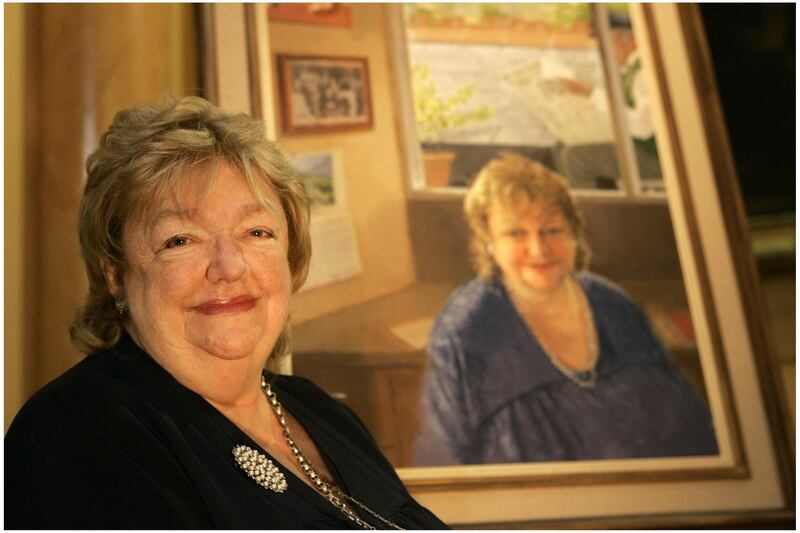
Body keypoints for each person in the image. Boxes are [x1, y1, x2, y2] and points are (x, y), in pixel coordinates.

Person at [5, 96, 447, 529]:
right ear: (117, 274)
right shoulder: (77, 433)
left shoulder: (319, 411)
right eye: (180, 240)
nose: (230, 267)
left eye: (256, 232)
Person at [415, 153, 718, 466]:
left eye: (553, 231)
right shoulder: (467, 327)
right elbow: (444, 456)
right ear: (488, 242)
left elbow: (690, 422)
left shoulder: (612, 303)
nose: (539, 249)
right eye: (515, 233)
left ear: (574, 235)